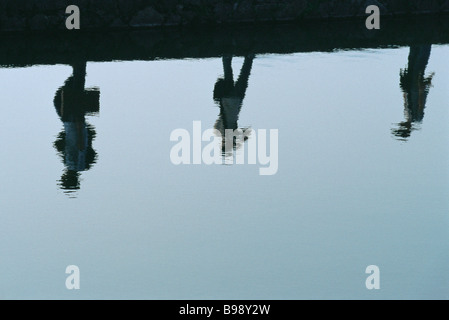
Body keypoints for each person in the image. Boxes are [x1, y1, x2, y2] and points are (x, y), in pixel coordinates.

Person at [53, 61, 100, 194]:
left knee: (68, 94)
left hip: (72, 124)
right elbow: (80, 146)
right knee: (64, 97)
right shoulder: (74, 164)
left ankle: (78, 69)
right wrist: (80, 125)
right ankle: (78, 68)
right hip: (73, 123)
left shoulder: (79, 165)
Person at [213, 54, 255, 158]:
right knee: (228, 73)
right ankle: (227, 56)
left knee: (244, 75)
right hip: (225, 99)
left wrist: (238, 143)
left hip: (236, 100)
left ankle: (249, 55)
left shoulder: (233, 135)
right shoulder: (217, 130)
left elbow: (248, 133)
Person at [392, 45, 434, 140]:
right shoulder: (417, 119)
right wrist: (422, 87)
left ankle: (415, 45)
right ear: (407, 128)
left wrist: (404, 88)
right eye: (402, 126)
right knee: (419, 64)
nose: (401, 124)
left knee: (412, 62)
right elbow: (421, 103)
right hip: (415, 88)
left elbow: (406, 100)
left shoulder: (408, 116)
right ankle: (423, 45)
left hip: (411, 88)